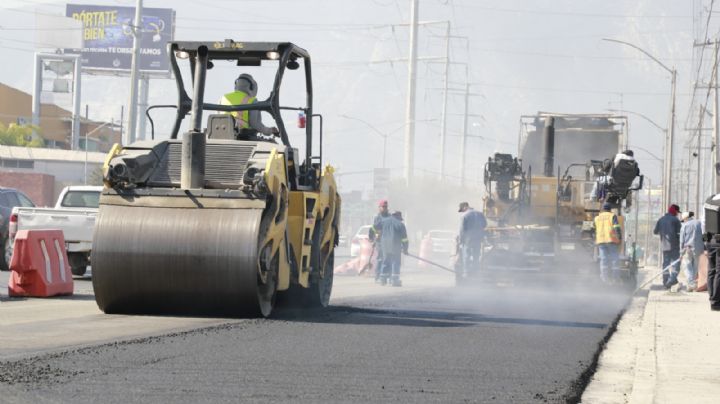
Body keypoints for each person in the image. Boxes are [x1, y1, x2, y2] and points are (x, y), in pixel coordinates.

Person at [220, 73, 279, 138]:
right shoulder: (252, 101)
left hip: (219, 135)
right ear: (251, 87)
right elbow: (255, 124)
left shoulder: (223, 97)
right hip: (242, 136)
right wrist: (269, 131)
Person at [377, 211, 409, 286]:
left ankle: (383, 279)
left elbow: (376, 228)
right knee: (395, 261)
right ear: (398, 217)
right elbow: (404, 239)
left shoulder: (384, 221)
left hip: (384, 245)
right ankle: (395, 280)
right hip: (395, 245)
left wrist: (377, 238)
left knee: (385, 260)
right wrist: (405, 249)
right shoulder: (400, 224)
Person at [654, 204, 682, 288]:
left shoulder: (661, 219)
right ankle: (671, 281)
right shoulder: (675, 220)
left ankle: (666, 281)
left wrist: (663, 234)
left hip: (664, 246)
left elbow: (655, 231)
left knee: (666, 264)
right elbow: (679, 234)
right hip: (674, 246)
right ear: (675, 211)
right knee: (676, 264)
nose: (677, 214)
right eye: (677, 212)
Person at [594, 202, 622, 284]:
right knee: (614, 259)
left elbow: (592, 228)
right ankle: (615, 278)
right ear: (610, 209)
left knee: (603, 259)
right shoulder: (612, 216)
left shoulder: (597, 218)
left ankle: (604, 278)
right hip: (611, 240)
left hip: (601, 241)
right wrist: (619, 238)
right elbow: (616, 227)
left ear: (603, 209)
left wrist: (594, 238)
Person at [457, 202, 487, 275]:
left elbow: (462, 230)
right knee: (476, 256)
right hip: (478, 238)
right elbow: (485, 224)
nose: (462, 212)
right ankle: (475, 272)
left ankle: (466, 273)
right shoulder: (480, 214)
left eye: (462, 210)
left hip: (468, 239)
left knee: (466, 256)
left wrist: (460, 240)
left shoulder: (465, 216)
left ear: (465, 207)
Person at [678, 211, 703, 291]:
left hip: (687, 249)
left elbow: (682, 240)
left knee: (687, 266)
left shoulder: (684, 225)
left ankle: (691, 283)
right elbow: (704, 235)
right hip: (699, 249)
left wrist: (681, 253)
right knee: (695, 267)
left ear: (685, 218)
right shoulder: (699, 223)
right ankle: (691, 285)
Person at [369, 200, 390, 283]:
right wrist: (372, 238)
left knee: (387, 258)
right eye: (383, 207)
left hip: (388, 241)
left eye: (386, 207)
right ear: (379, 208)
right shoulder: (378, 218)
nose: (385, 208)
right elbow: (373, 229)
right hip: (380, 241)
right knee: (381, 258)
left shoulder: (389, 217)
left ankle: (385, 275)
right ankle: (378, 276)